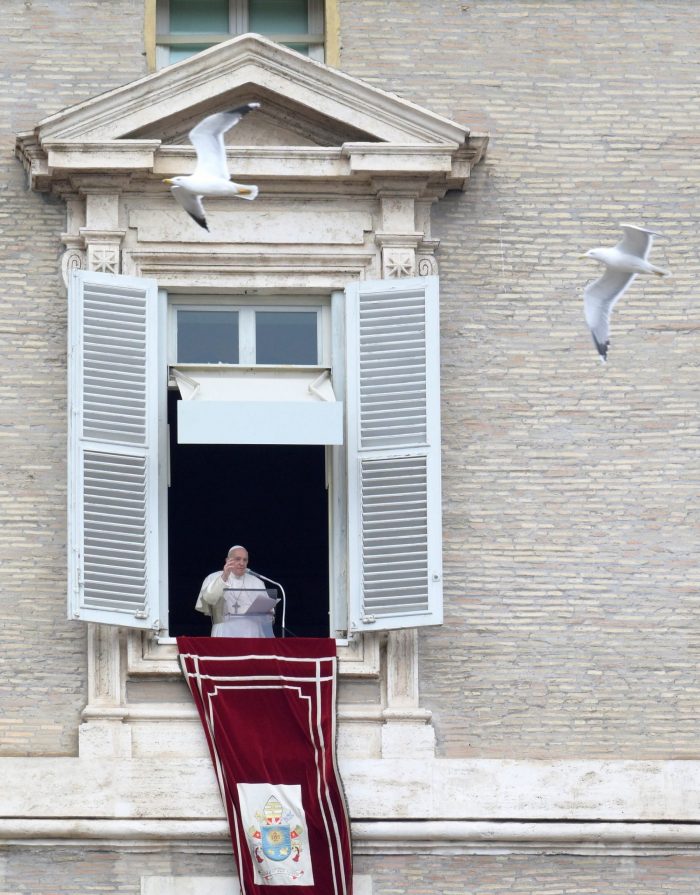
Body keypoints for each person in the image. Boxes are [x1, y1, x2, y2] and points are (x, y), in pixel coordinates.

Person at [195, 545, 278, 638]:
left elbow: (268, 618)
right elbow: (209, 599)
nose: (241, 563)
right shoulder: (213, 577)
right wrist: (224, 577)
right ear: (227, 560)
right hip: (224, 632)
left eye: (245, 560)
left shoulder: (257, 582)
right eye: (237, 559)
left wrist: (267, 614)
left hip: (252, 634)